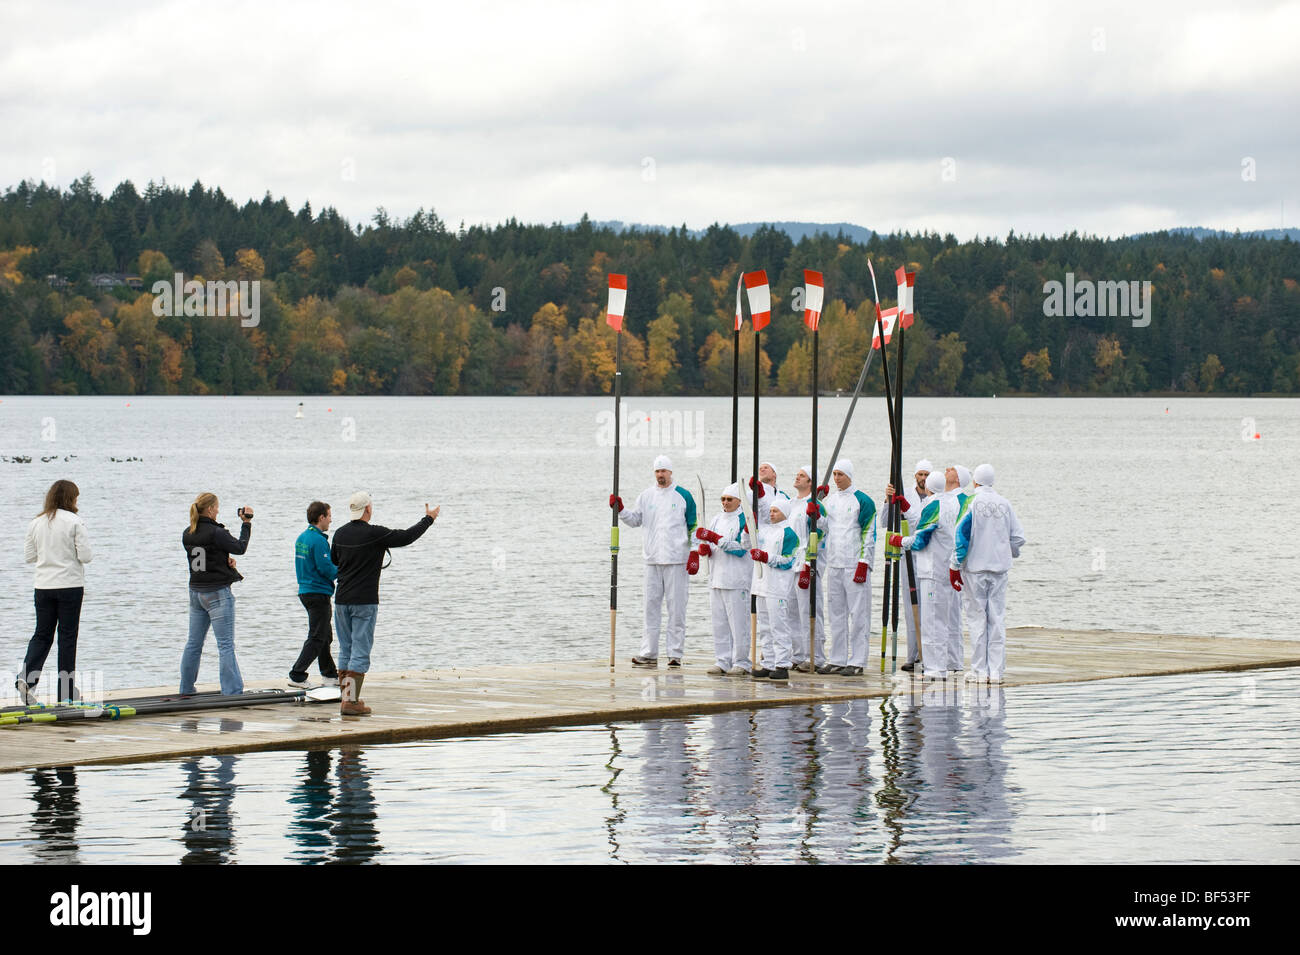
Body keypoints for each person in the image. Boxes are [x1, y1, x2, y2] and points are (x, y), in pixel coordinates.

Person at [331, 492, 439, 715]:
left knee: (345, 648)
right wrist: (428, 519)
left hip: (341, 600)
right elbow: (407, 537)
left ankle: (347, 699)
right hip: (364, 601)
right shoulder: (375, 533)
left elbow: (335, 560)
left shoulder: (339, 533)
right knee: (360, 650)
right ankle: (350, 703)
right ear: (367, 510)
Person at [611, 455, 698, 668]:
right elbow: (635, 520)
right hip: (651, 560)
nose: (660, 475)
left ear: (670, 472)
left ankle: (675, 654)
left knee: (676, 608)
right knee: (650, 607)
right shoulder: (646, 496)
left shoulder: (683, 495)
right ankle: (649, 653)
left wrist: (695, 551)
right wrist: (620, 509)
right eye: (657, 471)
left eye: (663, 471)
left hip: (677, 560)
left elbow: (694, 525)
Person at [949, 464, 1025, 683]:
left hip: (975, 569)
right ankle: (996, 672)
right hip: (999, 570)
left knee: (977, 619)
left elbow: (961, 537)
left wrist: (955, 565)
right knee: (997, 619)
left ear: (975, 482)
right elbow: (1018, 538)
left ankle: (980, 671)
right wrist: (1005, 551)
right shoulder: (1005, 503)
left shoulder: (971, 503)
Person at [19, 480, 92, 704]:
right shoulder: (75, 521)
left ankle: (27, 679)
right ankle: (66, 691)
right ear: (71, 499)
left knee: (42, 634)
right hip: (69, 585)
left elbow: (29, 556)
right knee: (67, 638)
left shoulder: (37, 522)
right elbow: (86, 556)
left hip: (43, 586)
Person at [180, 493, 252, 696]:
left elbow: (203, 559)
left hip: (196, 592)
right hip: (217, 594)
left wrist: (223, 561)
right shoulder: (215, 532)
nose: (218, 511)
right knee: (225, 645)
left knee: (193, 643)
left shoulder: (188, 532)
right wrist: (246, 523)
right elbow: (240, 547)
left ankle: (185, 688)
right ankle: (232, 691)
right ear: (210, 509)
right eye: (217, 507)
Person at [888, 470, 955, 680]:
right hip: (945, 567)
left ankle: (934, 668)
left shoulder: (933, 504)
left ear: (928, 487)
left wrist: (899, 541)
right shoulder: (950, 503)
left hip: (931, 570)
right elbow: (925, 523)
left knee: (931, 621)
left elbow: (920, 540)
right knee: (941, 620)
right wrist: (907, 508)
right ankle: (940, 664)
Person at [821, 458, 877, 676]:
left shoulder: (863, 501)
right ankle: (837, 659)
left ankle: (858, 661)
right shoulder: (830, 500)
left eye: (840, 474)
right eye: (834, 474)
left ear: (849, 476)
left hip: (854, 564)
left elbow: (869, 533)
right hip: (835, 563)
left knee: (858, 614)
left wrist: (865, 562)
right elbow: (824, 528)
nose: (836, 478)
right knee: (836, 613)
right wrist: (814, 512)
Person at [695, 483, 751, 676]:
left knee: (739, 624)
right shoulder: (717, 518)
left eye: (729, 499)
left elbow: (742, 548)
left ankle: (742, 662)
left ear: (739, 501)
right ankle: (722, 660)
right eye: (723, 499)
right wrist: (705, 550)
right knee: (719, 623)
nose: (725, 503)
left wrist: (715, 539)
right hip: (716, 576)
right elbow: (709, 543)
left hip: (737, 579)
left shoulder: (744, 520)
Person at [885, 458, 934, 672]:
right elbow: (884, 521)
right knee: (909, 606)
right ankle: (912, 654)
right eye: (920, 474)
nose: (923, 479)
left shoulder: (935, 498)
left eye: (926, 475)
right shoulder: (906, 494)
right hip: (908, 556)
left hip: (929, 555)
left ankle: (928, 654)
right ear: (915, 476)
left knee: (928, 607)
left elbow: (921, 522)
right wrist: (888, 501)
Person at [289, 501, 341, 688]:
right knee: (318, 636)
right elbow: (326, 569)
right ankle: (297, 674)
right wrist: (346, 570)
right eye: (329, 516)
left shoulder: (302, 537)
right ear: (321, 517)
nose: (331, 520)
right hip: (318, 593)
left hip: (305, 591)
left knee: (325, 635)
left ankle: (329, 675)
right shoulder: (318, 540)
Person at [749, 496, 801, 681]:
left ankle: (782, 664)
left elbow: (788, 560)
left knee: (779, 626)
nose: (771, 514)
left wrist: (765, 557)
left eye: (775, 511)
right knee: (765, 627)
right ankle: (768, 663)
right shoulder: (766, 532)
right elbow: (750, 545)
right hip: (761, 584)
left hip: (778, 586)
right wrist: (748, 532)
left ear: (784, 512)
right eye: (770, 510)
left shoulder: (790, 534)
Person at [789, 464, 826, 673]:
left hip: (808, 563)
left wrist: (818, 517)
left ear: (810, 482)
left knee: (810, 611)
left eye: (802, 476)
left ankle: (817, 656)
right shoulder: (792, 503)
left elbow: (824, 530)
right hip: (791, 564)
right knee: (792, 612)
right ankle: (798, 654)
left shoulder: (817, 504)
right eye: (798, 474)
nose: (797, 477)